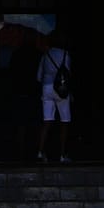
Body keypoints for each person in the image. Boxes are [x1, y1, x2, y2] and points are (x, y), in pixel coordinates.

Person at [37, 31, 75, 162]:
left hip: (47, 88)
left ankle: (41, 152)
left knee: (47, 121)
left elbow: (38, 76)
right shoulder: (65, 54)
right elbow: (69, 75)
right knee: (65, 121)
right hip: (61, 89)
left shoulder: (46, 55)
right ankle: (62, 154)